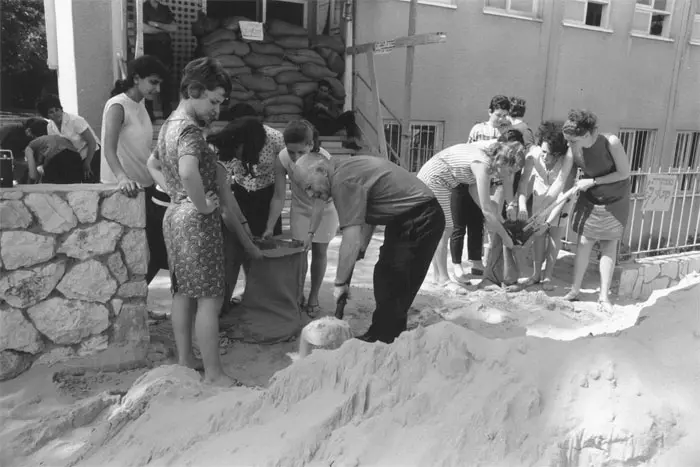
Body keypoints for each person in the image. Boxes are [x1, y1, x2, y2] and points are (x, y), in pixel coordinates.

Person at [145, 57, 261, 385]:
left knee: (182, 293)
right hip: (196, 222)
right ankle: (214, 374)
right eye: (213, 101)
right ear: (194, 90)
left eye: (221, 103)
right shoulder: (190, 132)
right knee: (210, 298)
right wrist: (202, 205)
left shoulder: (169, 124)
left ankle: (186, 359)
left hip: (174, 216)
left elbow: (152, 164)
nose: (218, 110)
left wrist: (178, 193)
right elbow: (186, 170)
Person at [298, 155, 445, 344]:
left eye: (309, 187)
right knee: (388, 277)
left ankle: (384, 340)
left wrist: (340, 283)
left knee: (393, 280)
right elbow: (366, 211)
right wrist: (363, 244)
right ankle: (386, 335)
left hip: (420, 217)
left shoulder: (342, 180)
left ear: (321, 171)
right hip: (407, 217)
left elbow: (349, 239)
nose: (310, 195)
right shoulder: (343, 168)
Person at [544, 109, 631, 312]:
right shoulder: (573, 149)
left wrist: (593, 181)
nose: (570, 145)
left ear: (586, 135)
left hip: (615, 198)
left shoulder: (611, 142)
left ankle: (603, 297)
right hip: (590, 197)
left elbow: (624, 173)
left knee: (609, 245)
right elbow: (560, 180)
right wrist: (545, 205)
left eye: (573, 141)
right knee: (583, 242)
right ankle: (575, 290)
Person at [100, 55, 170, 284]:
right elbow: (108, 148)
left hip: (146, 186)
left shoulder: (140, 105)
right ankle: (134, 303)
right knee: (145, 253)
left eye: (159, 83)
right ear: (136, 78)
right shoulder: (118, 106)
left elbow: (142, 148)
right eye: (153, 82)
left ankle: (138, 302)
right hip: (126, 190)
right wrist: (121, 178)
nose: (157, 89)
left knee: (156, 252)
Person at [417, 137, 525, 286]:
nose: (508, 175)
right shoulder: (483, 166)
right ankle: (443, 279)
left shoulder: (489, 161)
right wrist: (505, 236)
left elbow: (474, 191)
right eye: (510, 171)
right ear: (504, 162)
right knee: (446, 228)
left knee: (443, 228)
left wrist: (498, 216)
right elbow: (487, 210)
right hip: (435, 179)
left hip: (441, 180)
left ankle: (437, 276)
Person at [263, 120, 339, 317]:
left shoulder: (324, 160)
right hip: (299, 207)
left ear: (311, 144)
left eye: (300, 152)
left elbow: (320, 202)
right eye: (291, 152)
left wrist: (312, 232)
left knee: (319, 251)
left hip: (324, 208)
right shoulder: (282, 158)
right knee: (299, 252)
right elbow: (279, 196)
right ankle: (297, 294)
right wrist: (270, 226)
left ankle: (314, 296)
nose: (295, 157)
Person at [451, 94, 512, 281]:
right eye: (498, 114)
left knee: (478, 222)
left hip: (488, 183)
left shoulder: (506, 132)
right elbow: (469, 153)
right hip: (467, 179)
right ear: (490, 112)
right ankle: (456, 263)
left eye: (505, 115)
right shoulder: (478, 129)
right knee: (459, 224)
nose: (501, 119)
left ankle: (476, 260)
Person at [516, 120, 572, 290]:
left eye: (551, 154)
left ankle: (548, 276)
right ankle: (536, 274)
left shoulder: (567, 156)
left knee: (554, 234)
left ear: (559, 153)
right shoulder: (533, 154)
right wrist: (523, 206)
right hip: (540, 193)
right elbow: (523, 182)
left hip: (561, 196)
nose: (546, 157)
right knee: (538, 234)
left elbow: (560, 184)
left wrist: (546, 215)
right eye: (544, 151)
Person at [37, 94, 100, 183]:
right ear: (47, 116)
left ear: (61, 109)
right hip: (75, 156)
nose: (56, 113)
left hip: (91, 153)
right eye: (51, 112)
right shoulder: (50, 127)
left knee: (91, 184)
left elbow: (92, 142)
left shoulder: (75, 120)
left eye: (57, 110)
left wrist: (87, 162)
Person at [302, 79, 361, 151]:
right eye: (321, 90)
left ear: (328, 92)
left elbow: (335, 116)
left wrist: (325, 109)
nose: (322, 93)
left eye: (325, 91)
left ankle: (351, 142)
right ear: (318, 89)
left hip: (329, 126)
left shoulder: (330, 101)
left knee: (349, 114)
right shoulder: (311, 98)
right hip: (316, 126)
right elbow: (306, 111)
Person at [142, 0, 177, 120]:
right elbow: (143, 28)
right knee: (149, 79)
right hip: (149, 49)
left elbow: (174, 27)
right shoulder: (143, 7)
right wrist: (164, 29)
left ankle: (166, 111)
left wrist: (157, 25)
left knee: (165, 79)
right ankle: (149, 112)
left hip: (164, 50)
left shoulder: (165, 9)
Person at [23, 117, 83, 184]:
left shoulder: (31, 145)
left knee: (51, 189)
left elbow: (33, 176)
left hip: (57, 159)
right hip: (76, 159)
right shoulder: (58, 138)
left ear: (31, 135)